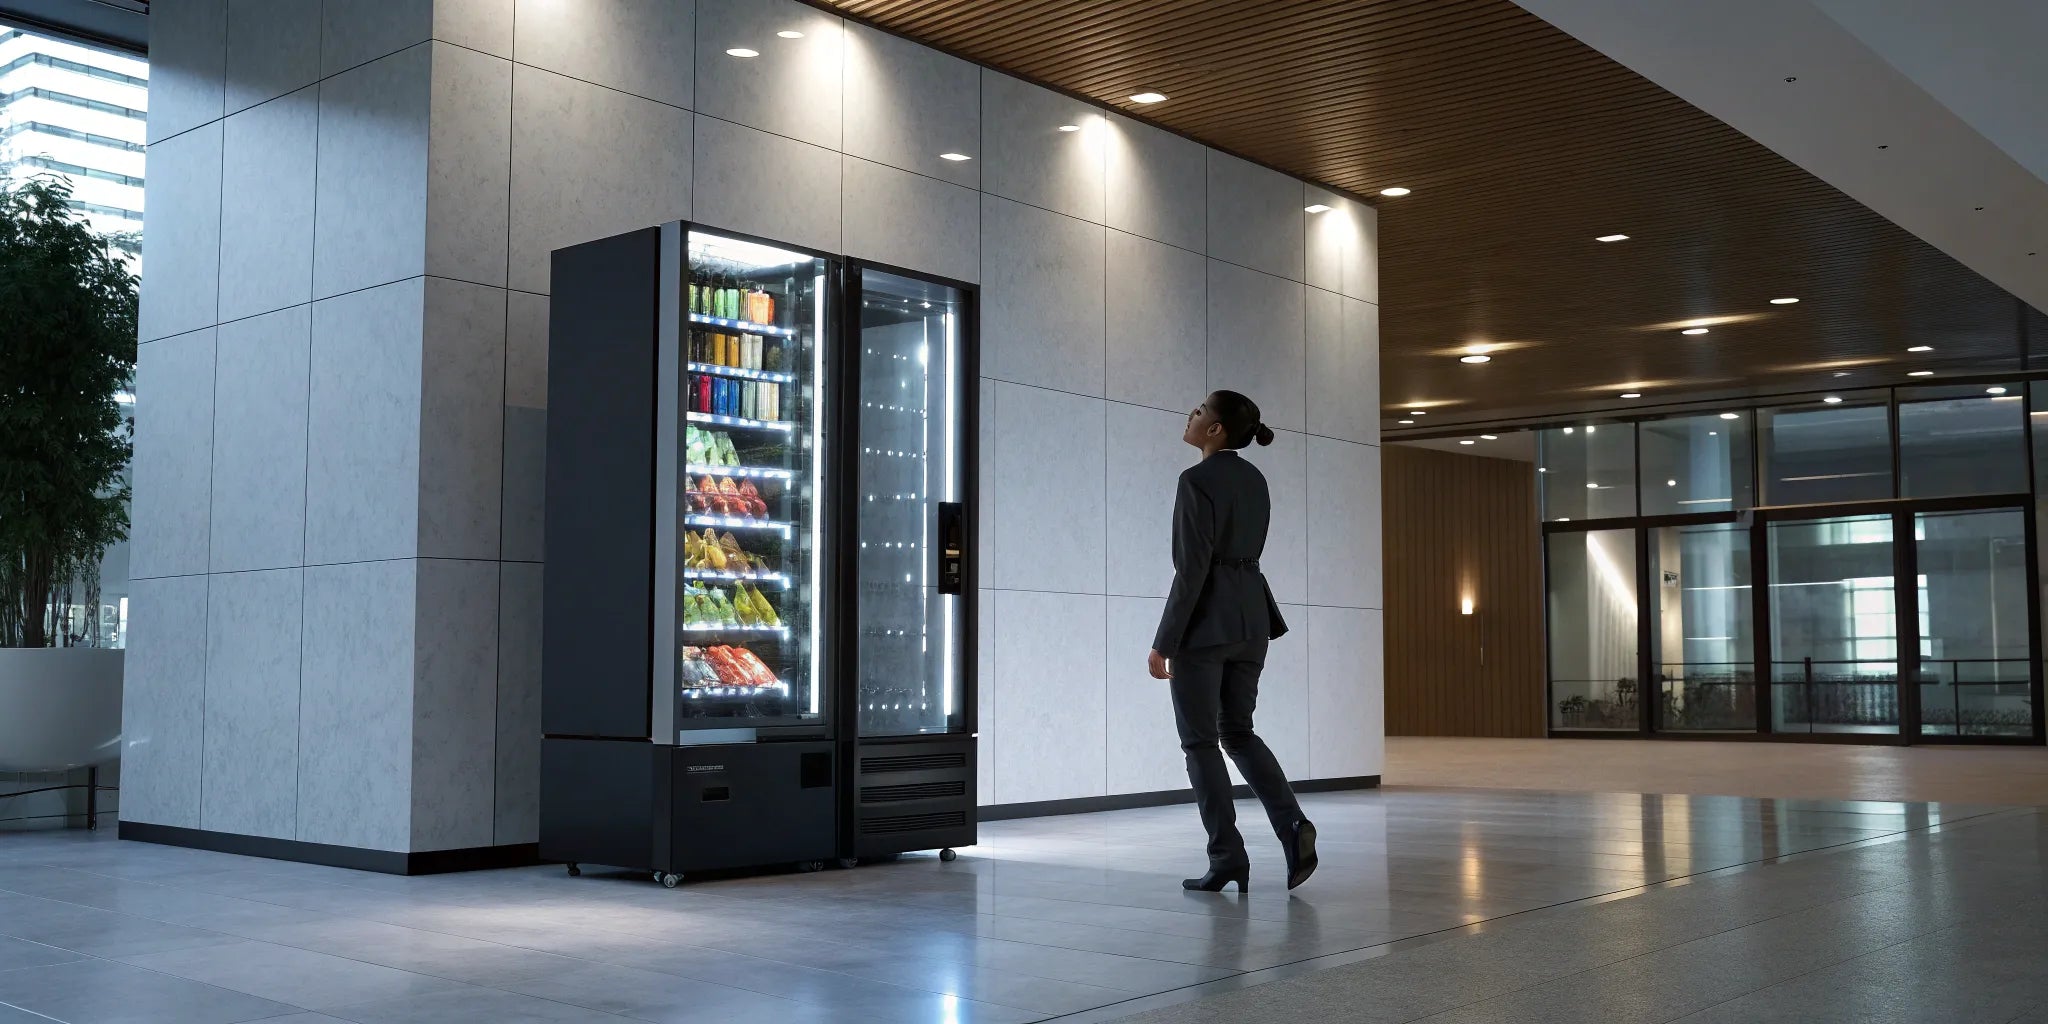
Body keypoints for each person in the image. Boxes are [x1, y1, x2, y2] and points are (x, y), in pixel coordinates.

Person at [1148, 390, 1317, 894]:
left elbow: (1192, 569)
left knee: (1200, 742)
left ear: (1216, 430)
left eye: (1199, 411)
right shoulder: (1255, 479)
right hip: (1252, 620)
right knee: (1238, 732)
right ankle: (1292, 826)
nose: (1191, 414)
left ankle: (1226, 856)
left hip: (1206, 627)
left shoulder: (1195, 480)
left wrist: (1164, 642)